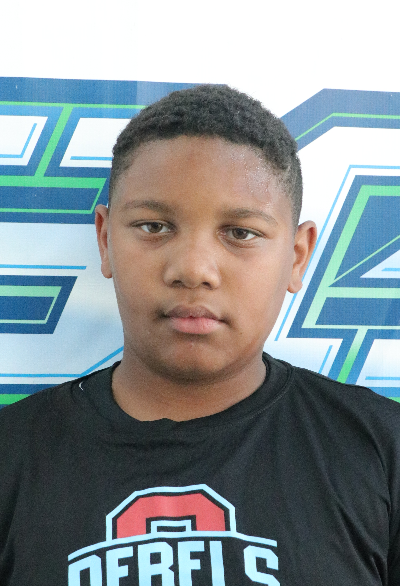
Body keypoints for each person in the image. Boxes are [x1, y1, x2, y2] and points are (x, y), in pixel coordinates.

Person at [0, 84, 399, 586]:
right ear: (104, 240)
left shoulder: (381, 450)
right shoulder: (12, 457)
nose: (193, 269)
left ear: (297, 257)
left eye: (240, 233)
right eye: (154, 226)